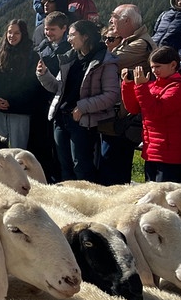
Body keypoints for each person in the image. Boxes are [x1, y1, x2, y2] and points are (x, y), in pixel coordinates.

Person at [36, 20, 119, 182]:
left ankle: (86, 204)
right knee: (64, 166)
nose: (69, 39)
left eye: (73, 35)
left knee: (81, 167)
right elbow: (57, 88)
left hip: (83, 123)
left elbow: (111, 95)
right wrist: (43, 75)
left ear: (86, 36)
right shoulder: (70, 58)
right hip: (61, 119)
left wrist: (82, 108)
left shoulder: (105, 61)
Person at [97, 3, 156, 185]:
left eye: (114, 16)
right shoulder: (128, 41)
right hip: (118, 117)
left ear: (127, 21)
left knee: (113, 169)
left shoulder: (139, 45)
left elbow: (106, 63)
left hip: (124, 118)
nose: (110, 20)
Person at [120, 46, 181, 183]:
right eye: (152, 67)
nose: (154, 71)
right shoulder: (153, 85)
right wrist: (128, 85)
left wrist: (141, 87)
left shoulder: (179, 88)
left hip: (170, 154)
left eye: (158, 66)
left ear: (173, 65)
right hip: (152, 150)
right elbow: (134, 108)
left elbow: (155, 112)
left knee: (164, 197)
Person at [0, 19, 39, 149]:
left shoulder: (32, 56)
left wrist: (11, 101)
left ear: (23, 34)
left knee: (18, 150)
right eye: (9, 32)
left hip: (20, 110)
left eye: (16, 33)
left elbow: (31, 85)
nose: (12, 36)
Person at [31, 11, 72, 183]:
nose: (48, 33)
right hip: (41, 102)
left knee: (60, 151)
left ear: (64, 29)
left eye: (53, 30)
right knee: (42, 146)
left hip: (59, 104)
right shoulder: (42, 46)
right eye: (46, 29)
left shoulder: (70, 50)